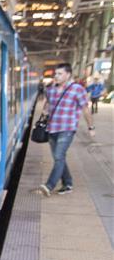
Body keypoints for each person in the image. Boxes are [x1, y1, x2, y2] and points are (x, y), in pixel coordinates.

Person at [38, 63, 95, 197]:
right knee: (59, 158)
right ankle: (68, 184)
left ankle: (49, 186)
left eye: (59, 74)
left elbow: (85, 109)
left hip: (67, 129)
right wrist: (45, 112)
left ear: (68, 74)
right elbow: (47, 106)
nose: (56, 76)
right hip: (52, 128)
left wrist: (91, 127)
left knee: (58, 156)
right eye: (55, 74)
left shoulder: (77, 89)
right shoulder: (51, 89)